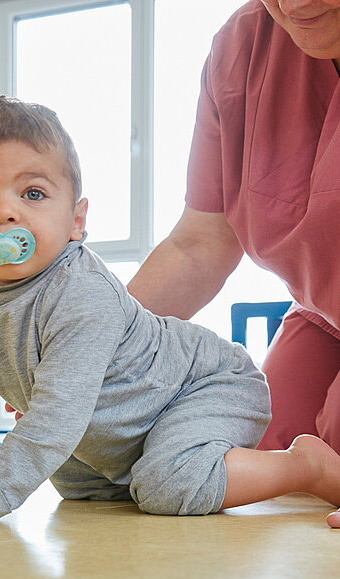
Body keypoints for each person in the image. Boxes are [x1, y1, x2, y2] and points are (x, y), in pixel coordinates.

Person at [0, 96, 340, 527]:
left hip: (204, 386)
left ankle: (302, 466)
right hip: (114, 429)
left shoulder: (81, 292)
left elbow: (55, 418)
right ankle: (154, 468)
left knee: (168, 484)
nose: (5, 211)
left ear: (76, 219)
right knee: (75, 486)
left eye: (33, 192)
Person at [127, 0, 340, 514]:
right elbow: (199, 243)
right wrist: (89, 346)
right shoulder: (243, 46)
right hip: (324, 312)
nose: (291, 3)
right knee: (256, 436)